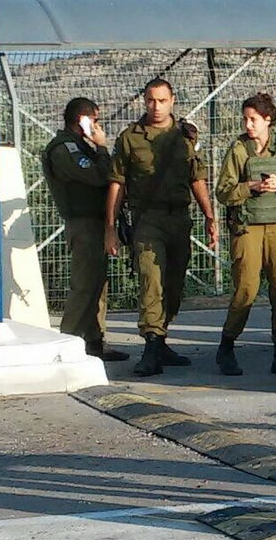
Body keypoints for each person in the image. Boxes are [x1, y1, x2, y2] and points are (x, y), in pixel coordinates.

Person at [105, 77, 217, 377]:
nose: (156, 106)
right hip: (148, 219)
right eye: (151, 100)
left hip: (179, 218)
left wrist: (209, 216)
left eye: (162, 100)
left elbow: (197, 178)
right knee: (150, 280)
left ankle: (162, 337)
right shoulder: (130, 138)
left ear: (172, 100)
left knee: (174, 284)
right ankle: (151, 344)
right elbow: (117, 183)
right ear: (144, 101)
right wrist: (111, 227)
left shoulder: (185, 136)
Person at [214, 93, 276, 377]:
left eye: (253, 119)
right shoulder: (239, 151)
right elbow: (223, 191)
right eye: (245, 119)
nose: (248, 125)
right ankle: (227, 346)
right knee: (246, 289)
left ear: (268, 120)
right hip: (247, 227)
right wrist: (251, 187)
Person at [40, 98, 128, 362]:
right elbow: (98, 176)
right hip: (84, 223)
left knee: (97, 284)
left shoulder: (79, 146)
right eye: (95, 120)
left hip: (95, 222)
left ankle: (94, 340)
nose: (98, 126)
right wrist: (102, 148)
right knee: (84, 284)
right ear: (84, 121)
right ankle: (67, 340)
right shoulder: (66, 149)